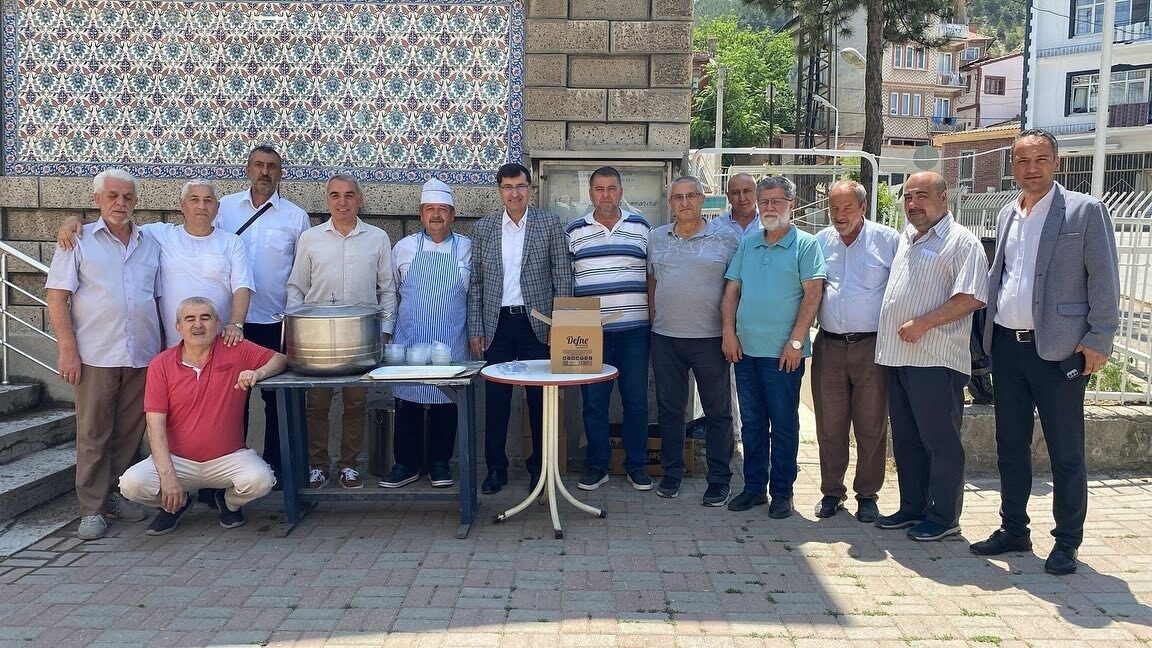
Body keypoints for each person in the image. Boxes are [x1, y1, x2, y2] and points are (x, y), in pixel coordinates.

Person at [969, 129, 1120, 575]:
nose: (1030, 168)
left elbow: (1104, 278)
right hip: (1007, 347)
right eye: (1022, 160)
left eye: (1040, 159)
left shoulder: (1084, 211)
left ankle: (1067, 541)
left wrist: (1100, 337)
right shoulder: (1007, 213)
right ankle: (1014, 528)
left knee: (1065, 451)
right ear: (1012, 165)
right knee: (1010, 445)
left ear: (1057, 163)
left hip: (1059, 350)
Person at [45, 168, 161, 540]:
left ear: (136, 201)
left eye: (127, 197)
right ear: (97, 199)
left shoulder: (150, 242)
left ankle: (116, 495)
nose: (120, 203)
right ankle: (91, 509)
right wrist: (67, 350)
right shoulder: (77, 240)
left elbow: (156, 298)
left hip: (141, 354)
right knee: (94, 433)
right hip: (95, 354)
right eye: (112, 196)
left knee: (128, 433)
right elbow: (57, 297)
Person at [873, 171, 988, 542]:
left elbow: (972, 296)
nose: (913, 204)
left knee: (940, 442)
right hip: (898, 356)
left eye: (921, 196)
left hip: (935, 359)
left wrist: (923, 322)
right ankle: (913, 507)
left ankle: (943, 516)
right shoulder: (907, 237)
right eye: (908, 197)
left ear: (943, 198)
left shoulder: (961, 242)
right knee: (906, 439)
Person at [118, 297, 287, 535]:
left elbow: (280, 359)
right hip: (178, 461)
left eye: (205, 318)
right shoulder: (161, 364)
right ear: (178, 327)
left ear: (217, 323)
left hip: (227, 458)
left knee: (261, 480)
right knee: (131, 484)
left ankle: (229, 503)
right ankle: (175, 504)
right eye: (190, 319)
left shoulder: (235, 350)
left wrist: (258, 372)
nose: (198, 325)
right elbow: (155, 425)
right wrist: (168, 478)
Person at [721, 176, 826, 518]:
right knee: (752, 424)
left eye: (777, 201)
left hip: (783, 355)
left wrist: (796, 341)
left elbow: (813, 295)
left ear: (791, 204)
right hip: (745, 351)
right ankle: (754, 488)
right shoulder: (749, 244)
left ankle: (782, 492)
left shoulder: (806, 245)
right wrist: (728, 333)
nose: (769, 207)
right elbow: (732, 292)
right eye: (764, 201)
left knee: (783, 424)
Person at [286, 174, 398, 490]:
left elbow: (387, 290)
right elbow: (296, 288)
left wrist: (385, 331)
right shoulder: (311, 238)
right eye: (335, 195)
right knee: (317, 404)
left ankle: (349, 465)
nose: (342, 202)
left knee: (356, 402)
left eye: (349, 195)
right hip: (318, 339)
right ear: (328, 200)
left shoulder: (377, 238)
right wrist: (296, 334)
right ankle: (318, 466)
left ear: (359, 199)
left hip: (360, 337)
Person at [468, 163, 572, 495]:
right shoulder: (484, 228)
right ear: (499, 190)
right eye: (508, 187)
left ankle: (539, 468)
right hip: (496, 323)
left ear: (530, 189)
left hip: (537, 325)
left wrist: (560, 326)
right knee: (496, 400)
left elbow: (562, 277)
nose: (515, 193)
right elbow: (476, 281)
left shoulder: (549, 224)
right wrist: (476, 327)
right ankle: (495, 469)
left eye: (521, 186)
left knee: (540, 399)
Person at [216, 146, 311, 483]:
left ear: (281, 173)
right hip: (232, 325)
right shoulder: (224, 208)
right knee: (231, 402)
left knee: (278, 400)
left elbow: (301, 272)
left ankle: (277, 471)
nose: (265, 172)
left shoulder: (296, 217)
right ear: (247, 169)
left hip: (276, 322)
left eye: (272, 166)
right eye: (258, 165)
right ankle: (227, 472)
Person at [812, 180, 900, 523]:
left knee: (871, 424)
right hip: (830, 345)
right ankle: (831, 492)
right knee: (829, 425)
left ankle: (867, 495)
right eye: (834, 208)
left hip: (872, 347)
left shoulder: (888, 240)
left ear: (863, 207)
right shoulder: (820, 242)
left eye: (847, 208)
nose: (839, 215)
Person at [648, 176, 740, 504]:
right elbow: (651, 281)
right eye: (678, 197)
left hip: (710, 339)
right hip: (666, 337)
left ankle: (719, 478)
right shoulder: (656, 238)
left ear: (702, 198)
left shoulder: (726, 238)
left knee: (718, 412)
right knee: (670, 409)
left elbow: (734, 287)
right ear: (670, 202)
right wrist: (654, 319)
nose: (684, 202)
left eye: (691, 196)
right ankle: (672, 472)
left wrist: (730, 331)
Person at [379, 179, 472, 489]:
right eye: (430, 209)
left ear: (453, 215)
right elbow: (390, 292)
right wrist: (386, 332)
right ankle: (406, 464)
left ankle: (440, 463)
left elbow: (475, 293)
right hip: (410, 337)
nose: (436, 215)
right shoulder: (404, 248)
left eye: (442, 209)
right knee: (408, 400)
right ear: (421, 215)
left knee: (447, 401)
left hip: (451, 338)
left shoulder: (467, 248)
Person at [566, 166, 653, 491]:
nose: (606, 195)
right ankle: (597, 465)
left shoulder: (641, 227)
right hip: (590, 333)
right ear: (590, 193)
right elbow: (566, 281)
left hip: (635, 331)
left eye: (612, 188)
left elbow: (652, 276)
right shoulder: (574, 231)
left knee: (636, 401)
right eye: (599, 189)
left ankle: (636, 465)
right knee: (594, 402)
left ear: (621, 192)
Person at [714, 172, 761, 238]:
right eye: (735, 193)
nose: (742, 198)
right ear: (728, 197)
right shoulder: (716, 227)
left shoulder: (768, 224)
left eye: (746, 191)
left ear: (757, 193)